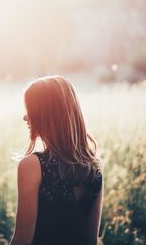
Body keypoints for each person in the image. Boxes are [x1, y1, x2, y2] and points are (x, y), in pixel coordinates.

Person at [10, 75, 103, 245]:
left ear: (45, 114)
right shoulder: (94, 167)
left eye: (30, 109)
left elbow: (22, 240)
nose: (25, 117)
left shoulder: (32, 166)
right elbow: (91, 240)